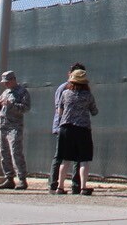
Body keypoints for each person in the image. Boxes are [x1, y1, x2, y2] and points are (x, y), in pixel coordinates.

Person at [53, 67, 98, 196]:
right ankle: (83, 187)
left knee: (65, 159)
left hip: (66, 128)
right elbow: (94, 111)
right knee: (83, 160)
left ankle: (60, 187)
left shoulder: (65, 93)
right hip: (82, 129)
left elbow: (59, 111)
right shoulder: (88, 96)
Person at [50, 62, 86, 193]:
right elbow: (59, 109)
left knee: (78, 157)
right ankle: (54, 184)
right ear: (69, 74)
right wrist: (60, 126)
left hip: (76, 127)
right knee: (60, 156)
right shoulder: (64, 88)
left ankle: (75, 185)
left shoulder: (83, 91)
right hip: (64, 126)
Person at [0, 70, 31, 190]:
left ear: (13, 80)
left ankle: (22, 179)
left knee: (16, 152)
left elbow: (25, 108)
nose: (5, 84)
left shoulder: (22, 92)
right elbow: (0, 107)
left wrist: (11, 105)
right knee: (4, 153)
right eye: (4, 82)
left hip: (14, 126)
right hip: (3, 125)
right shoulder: (5, 92)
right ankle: (9, 178)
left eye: (7, 82)